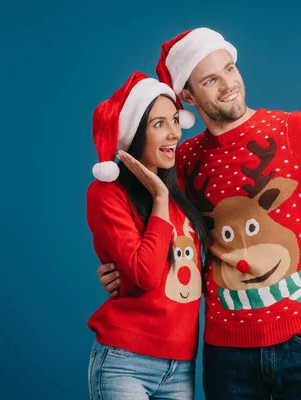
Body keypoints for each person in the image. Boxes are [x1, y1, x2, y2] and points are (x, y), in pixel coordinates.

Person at [97, 28, 301, 399]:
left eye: (230, 69)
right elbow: (150, 226)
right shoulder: (182, 161)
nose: (227, 84)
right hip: (227, 350)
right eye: (210, 80)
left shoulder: (294, 130)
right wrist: (116, 266)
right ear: (188, 96)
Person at [87, 71, 209, 399]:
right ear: (135, 133)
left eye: (174, 120)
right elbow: (146, 274)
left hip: (181, 365)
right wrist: (158, 198)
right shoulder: (107, 193)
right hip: (125, 361)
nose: (173, 133)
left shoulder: (182, 186)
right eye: (158, 124)